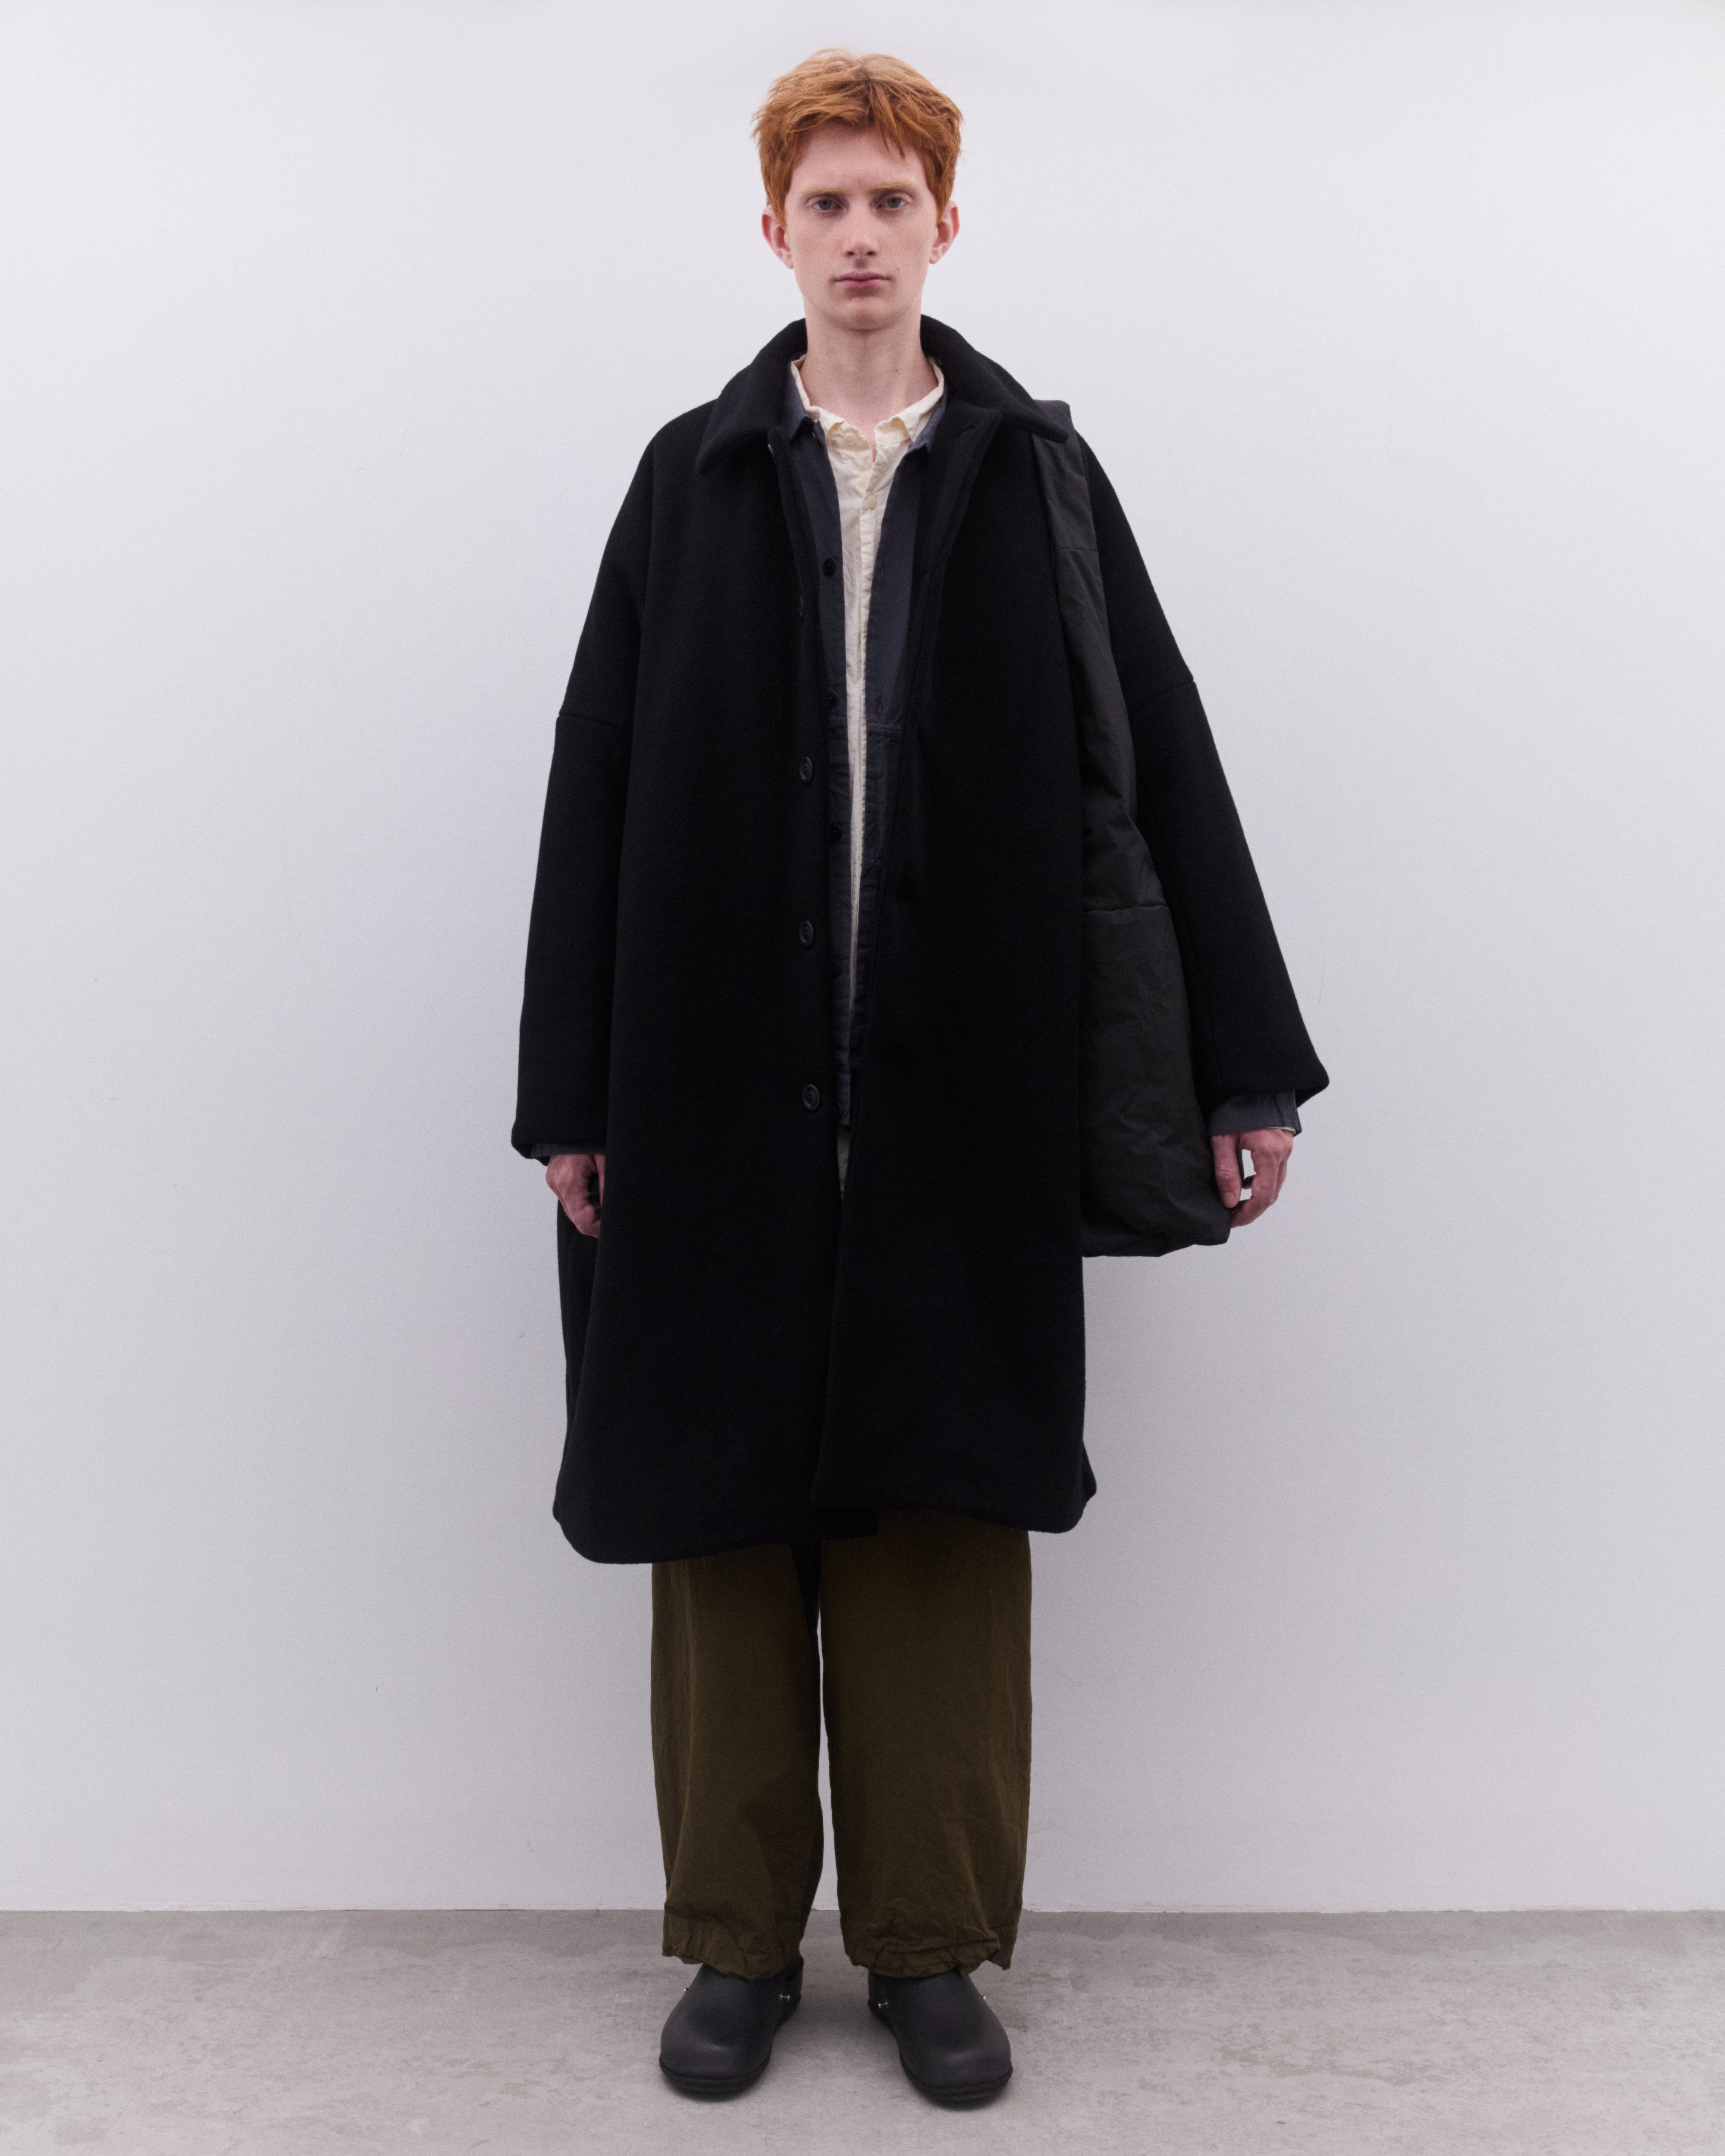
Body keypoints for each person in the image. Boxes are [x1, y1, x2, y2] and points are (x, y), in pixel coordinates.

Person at [512, 48, 1326, 2106]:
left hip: (962, 1088)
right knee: (719, 1519)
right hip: (714, 1087)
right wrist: (569, 1098)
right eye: (827, 204)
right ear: (772, 230)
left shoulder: (1036, 474)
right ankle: (731, 1941)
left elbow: (1160, 747)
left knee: (940, 1517)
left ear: (944, 226)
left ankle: (930, 1941)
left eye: (891, 203)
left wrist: (1244, 1062)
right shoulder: (690, 480)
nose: (859, 236)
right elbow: (594, 778)